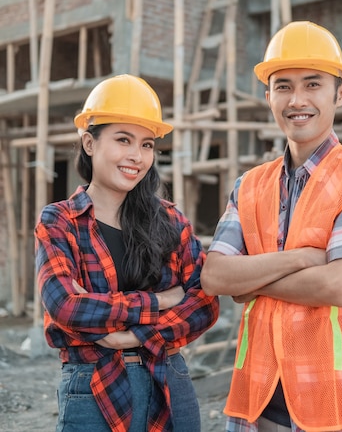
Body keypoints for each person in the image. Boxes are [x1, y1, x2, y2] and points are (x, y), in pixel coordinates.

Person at [201, 21, 342, 432]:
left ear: (339, 93)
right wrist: (302, 259)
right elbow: (215, 275)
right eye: (283, 86)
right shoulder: (250, 184)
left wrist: (250, 282)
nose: (297, 100)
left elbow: (339, 286)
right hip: (261, 394)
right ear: (268, 95)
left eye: (312, 85)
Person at [35, 73, 220, 432]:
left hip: (169, 380)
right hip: (92, 385)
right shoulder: (60, 221)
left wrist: (131, 336)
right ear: (89, 142)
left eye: (147, 144)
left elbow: (205, 304)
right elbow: (65, 306)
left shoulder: (169, 220)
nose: (137, 156)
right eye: (123, 140)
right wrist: (160, 302)